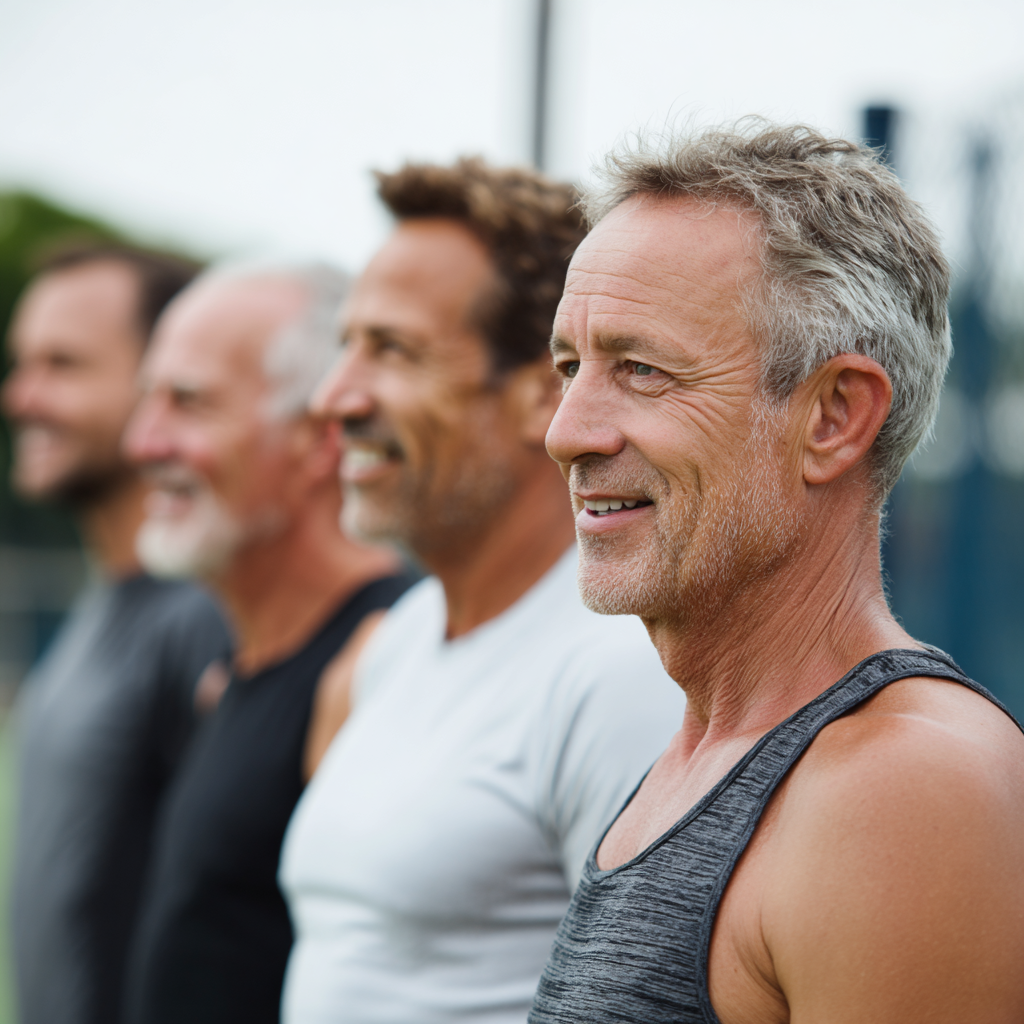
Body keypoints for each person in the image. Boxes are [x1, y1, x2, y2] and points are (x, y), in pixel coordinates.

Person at [527, 122, 1024, 1024]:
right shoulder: (705, 758)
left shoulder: (904, 790)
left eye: (642, 370)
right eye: (571, 366)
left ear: (834, 416)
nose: (567, 430)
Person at [278, 158, 686, 1024]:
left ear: (542, 393)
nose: (333, 398)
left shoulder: (619, 672)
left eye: (391, 349)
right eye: (345, 345)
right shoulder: (398, 643)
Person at [121, 262, 416, 1024]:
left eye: (188, 402)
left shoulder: (384, 662)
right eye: (146, 400)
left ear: (320, 439)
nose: (142, 442)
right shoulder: (237, 665)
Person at [2, 245, 231, 1024]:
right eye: (20, 363)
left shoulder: (204, 620)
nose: (20, 396)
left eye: (62, 365)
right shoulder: (106, 604)